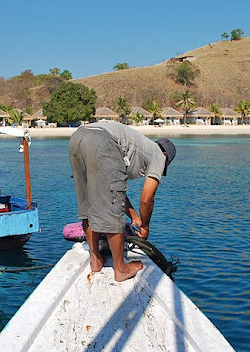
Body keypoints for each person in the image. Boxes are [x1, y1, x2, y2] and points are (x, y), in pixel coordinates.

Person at [69, 121, 176, 282]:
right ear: (166, 157)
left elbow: (111, 188)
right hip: (103, 141)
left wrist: (134, 215)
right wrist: (145, 227)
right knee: (113, 212)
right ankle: (120, 268)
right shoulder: (158, 155)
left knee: (88, 203)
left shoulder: (137, 146)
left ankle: (96, 259)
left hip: (77, 137)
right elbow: (147, 199)